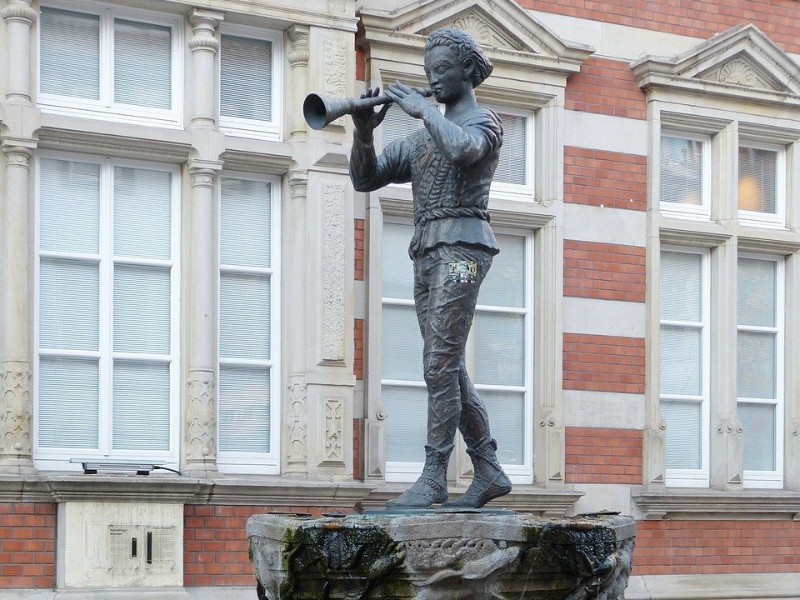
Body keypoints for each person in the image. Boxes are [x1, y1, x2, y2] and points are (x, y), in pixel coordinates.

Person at [349, 28, 511, 509]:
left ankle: (434, 476)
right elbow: (365, 178)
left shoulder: (485, 122)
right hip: (427, 253)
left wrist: (421, 109)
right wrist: (363, 131)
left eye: (442, 69)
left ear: (467, 70)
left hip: (464, 254)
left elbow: (464, 150)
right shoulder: (421, 141)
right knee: (448, 365)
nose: (433, 79)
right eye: (428, 72)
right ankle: (489, 469)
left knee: (438, 362)